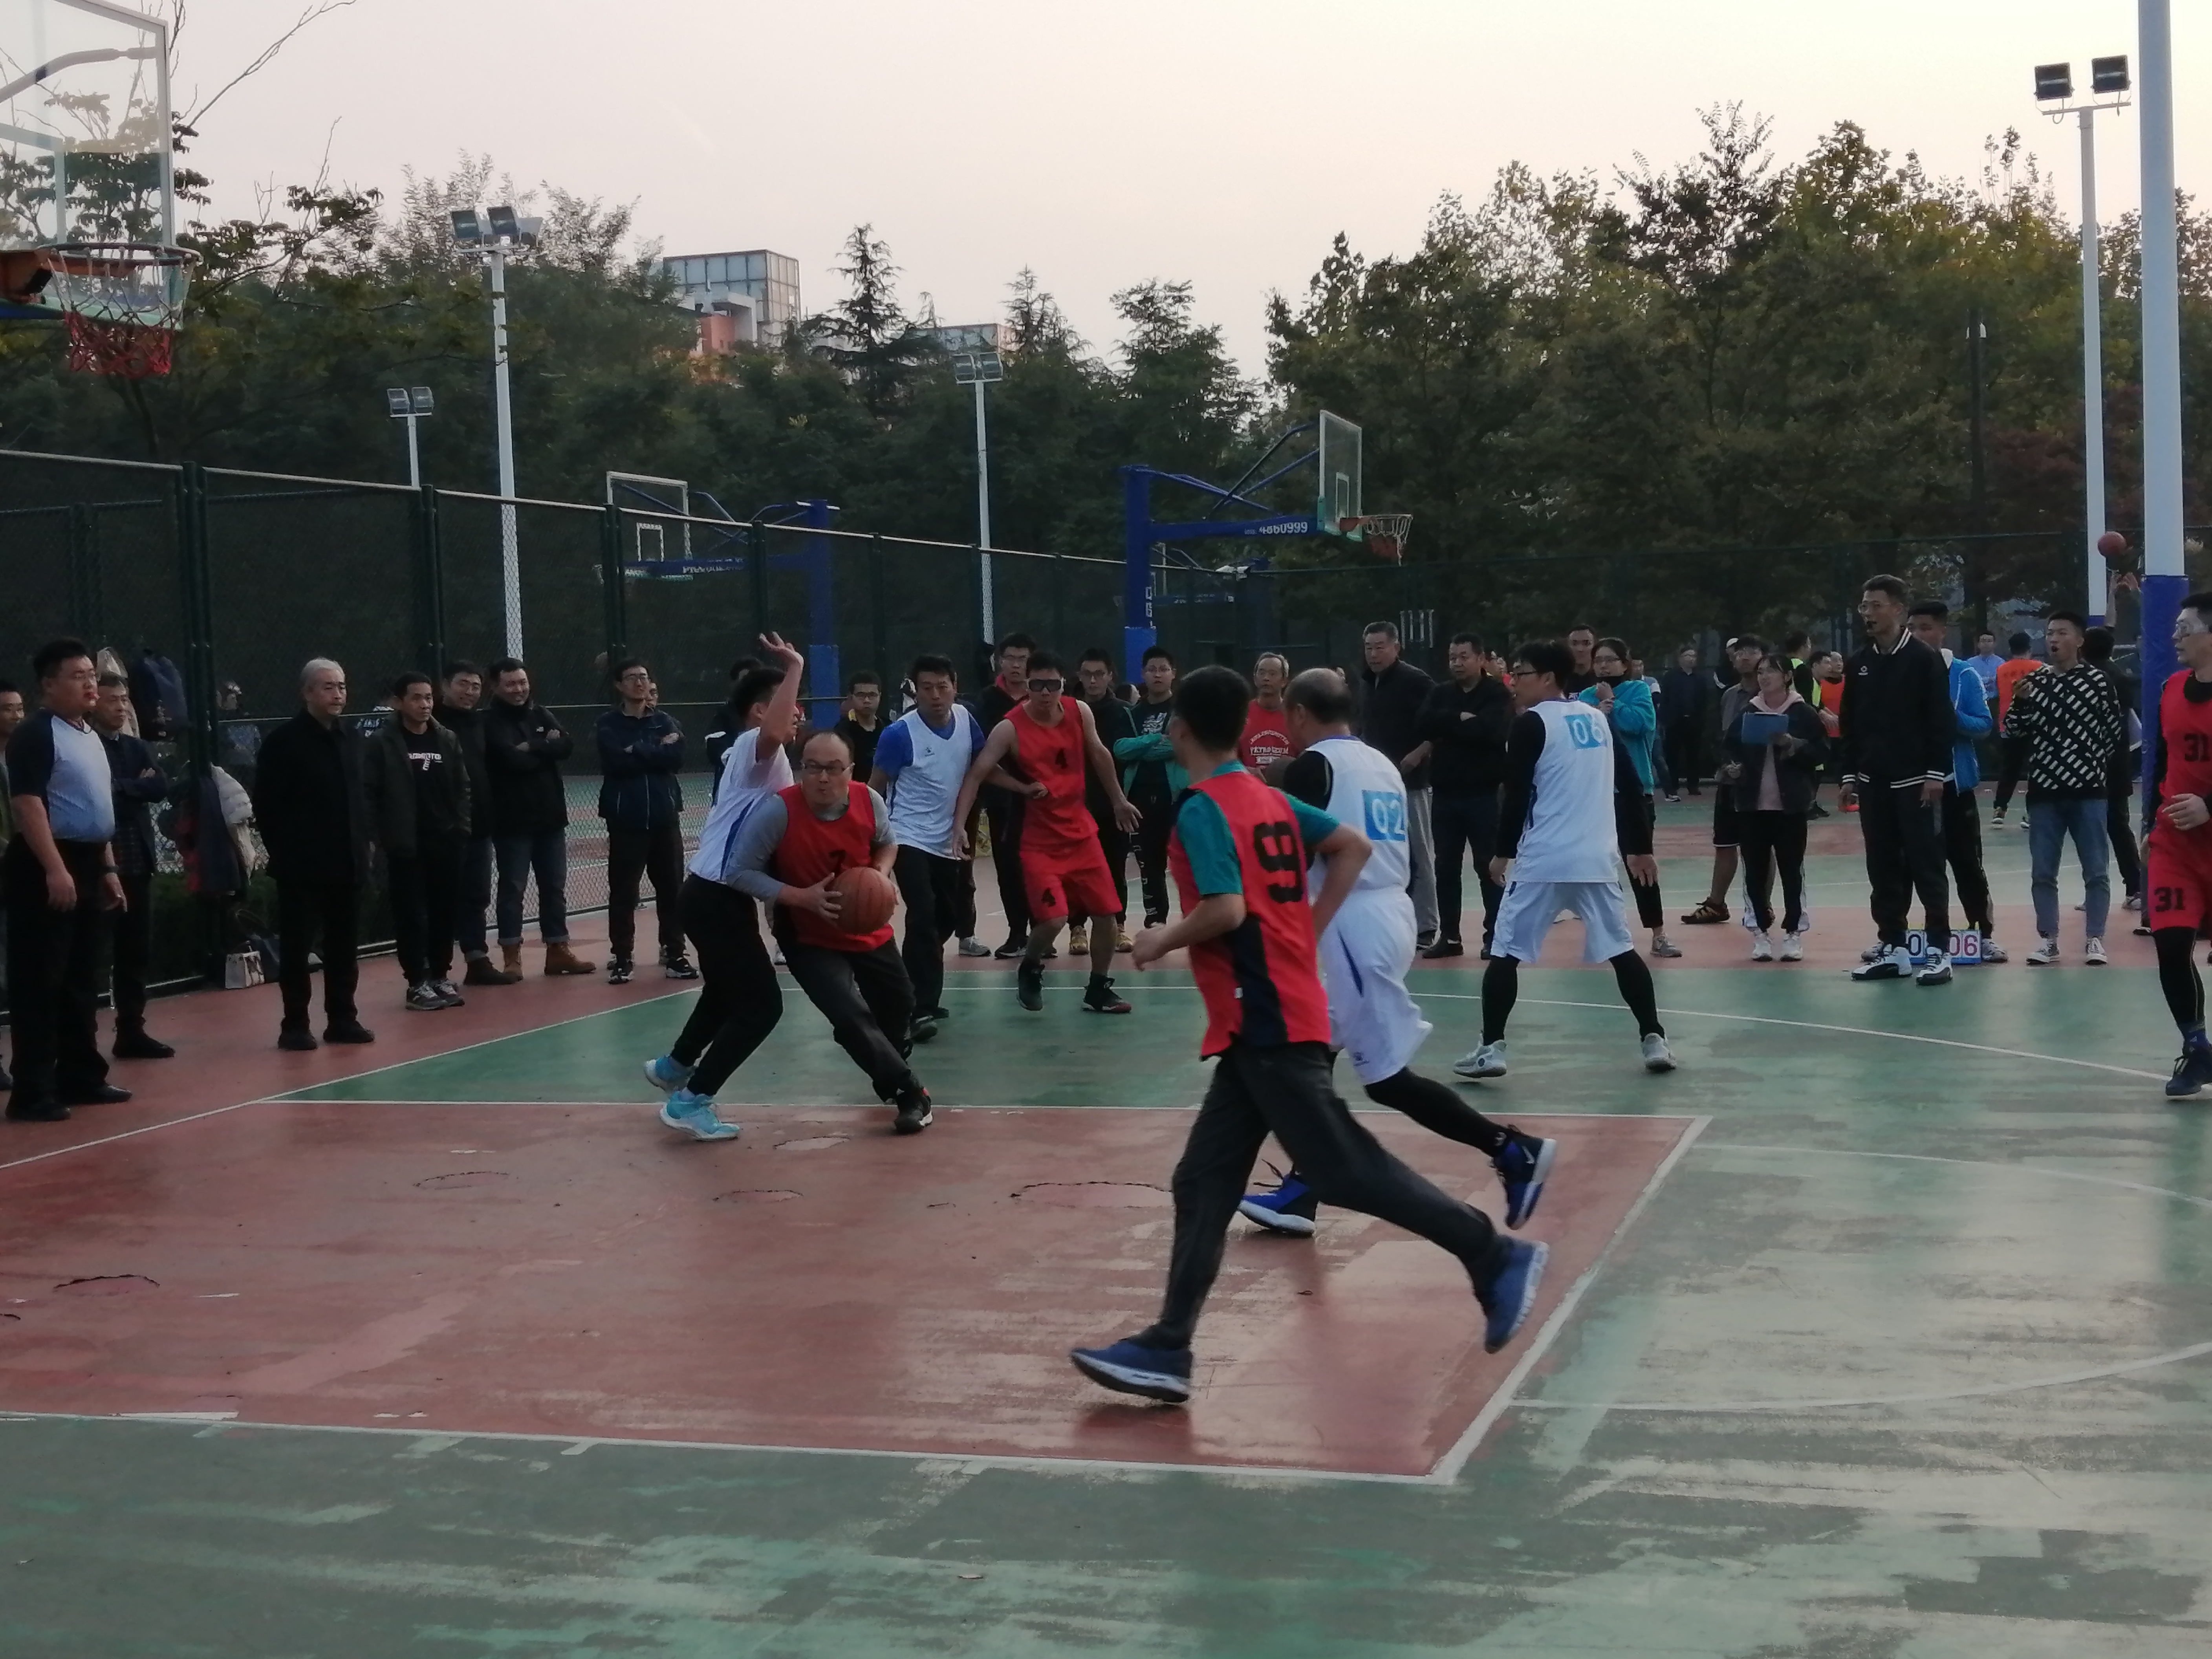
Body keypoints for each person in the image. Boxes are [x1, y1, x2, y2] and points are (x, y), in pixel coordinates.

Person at [1067, 665, 1547, 1404]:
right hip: (1264, 1014)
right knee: (1202, 1180)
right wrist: (1303, 928)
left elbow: (1226, 909)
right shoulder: (1267, 796)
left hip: (1267, 1014)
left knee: (1345, 1169)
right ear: (1241, 727)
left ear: (1179, 731)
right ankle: (1168, 1345)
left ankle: (1492, 1253)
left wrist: (1162, 937)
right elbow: (1351, 845)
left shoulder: (1203, 807)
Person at [1238, 667, 1558, 1239]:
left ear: (1299, 714)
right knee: (1321, 1057)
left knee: (1374, 1076)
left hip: (1351, 921)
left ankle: (1512, 1150)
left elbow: (1291, 850)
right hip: (1390, 910)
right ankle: (1304, 1192)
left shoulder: (1315, 766)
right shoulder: (1381, 763)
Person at [1455, 641, 1675, 1080]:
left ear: (1548, 678)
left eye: (1521, 673)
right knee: (1622, 951)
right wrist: (1640, 846)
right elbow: (1631, 785)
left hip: (1544, 860)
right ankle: (1654, 1038)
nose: (1514, 682)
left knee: (1505, 953)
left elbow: (1516, 795)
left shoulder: (1531, 724)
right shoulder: (1597, 719)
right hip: (1596, 859)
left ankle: (1491, 1048)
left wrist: (1502, 853)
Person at [714, 729, 934, 1135]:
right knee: (849, 1014)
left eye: (834, 768)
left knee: (900, 1002)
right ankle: (910, 1093)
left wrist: (878, 875)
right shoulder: (779, 812)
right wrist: (801, 897)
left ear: (851, 770)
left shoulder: (869, 800)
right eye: (813, 767)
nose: (822, 777)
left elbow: (887, 843)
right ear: (801, 769)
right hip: (807, 934)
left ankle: (881, 1056)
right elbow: (738, 872)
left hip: (864, 923)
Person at [643, 635, 804, 1141]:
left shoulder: (760, 757)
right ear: (759, 711)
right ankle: (691, 1101)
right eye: (790, 704)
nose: (798, 714)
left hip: (713, 894)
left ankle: (674, 1066)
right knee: (762, 1007)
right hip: (714, 897)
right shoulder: (756, 748)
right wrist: (795, 665)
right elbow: (775, 728)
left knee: (724, 991)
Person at [954, 651, 1143, 1014]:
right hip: (1039, 842)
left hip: (1082, 835)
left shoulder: (1079, 712)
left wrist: (1119, 800)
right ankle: (1030, 965)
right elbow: (979, 772)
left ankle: (1098, 988)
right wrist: (962, 824)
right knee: (1055, 919)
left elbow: (1100, 754)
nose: (1045, 692)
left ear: (1063, 684)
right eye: (1037, 684)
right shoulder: (1010, 728)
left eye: (1052, 685)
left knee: (1107, 915)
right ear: (1027, 685)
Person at [5, 640, 130, 1121]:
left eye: (91, 675)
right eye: (78, 676)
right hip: (46, 864)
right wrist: (55, 869)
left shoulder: (89, 734)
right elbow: (28, 805)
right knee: (41, 980)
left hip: (88, 861)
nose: (90, 684)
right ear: (48, 685)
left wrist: (108, 869)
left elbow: (94, 809)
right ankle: (33, 1090)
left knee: (81, 977)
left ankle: (81, 1076)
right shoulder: (36, 735)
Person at [249, 658, 374, 1051]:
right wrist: (286, 852)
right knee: (297, 948)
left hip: (348, 863)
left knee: (344, 947)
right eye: (328, 687)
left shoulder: (353, 738)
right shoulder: (283, 743)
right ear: (307, 693)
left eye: (342, 686)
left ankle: (343, 1019)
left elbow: (363, 798)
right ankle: (295, 1025)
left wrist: (366, 843)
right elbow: (267, 806)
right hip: (302, 868)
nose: (338, 694)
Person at [1838, 576, 1957, 986]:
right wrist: (1850, 774)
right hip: (1873, 783)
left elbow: (1940, 720)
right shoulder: (1858, 662)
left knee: (1926, 865)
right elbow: (1851, 722)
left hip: (1917, 783)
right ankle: (1894, 948)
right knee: (1882, 866)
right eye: (1864, 606)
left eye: (1876, 605)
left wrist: (1935, 773)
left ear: (1898, 610)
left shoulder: (1924, 659)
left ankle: (1939, 950)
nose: (1868, 614)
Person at [869, 653, 986, 1045]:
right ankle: (918, 1007)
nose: (935, 695)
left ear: (955, 686)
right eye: (926, 688)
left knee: (947, 919)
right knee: (923, 916)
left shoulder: (967, 721)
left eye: (942, 687)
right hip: (906, 835)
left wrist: (1025, 787)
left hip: (947, 839)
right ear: (914, 691)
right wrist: (870, 838)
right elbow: (875, 788)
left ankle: (904, 985)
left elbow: (982, 767)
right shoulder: (899, 735)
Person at [2007, 610, 2122, 967]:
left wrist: (2088, 764)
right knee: (2043, 871)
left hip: (2089, 791)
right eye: (2050, 633)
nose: (2054, 639)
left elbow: (2113, 731)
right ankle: (2049, 940)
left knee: (2096, 870)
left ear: (2080, 640)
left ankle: (2095, 938)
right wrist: (2020, 703)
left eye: (2062, 633)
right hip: (2045, 792)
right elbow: (2013, 730)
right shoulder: (2034, 682)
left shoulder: (2099, 682)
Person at [363, 671, 472, 1012]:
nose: (425, 705)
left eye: (429, 698)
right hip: (406, 844)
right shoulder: (382, 743)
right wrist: (377, 837)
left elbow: (462, 787)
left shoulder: (446, 738)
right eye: (416, 698)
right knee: (411, 915)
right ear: (399, 702)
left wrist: (461, 827)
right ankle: (416, 982)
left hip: (446, 840)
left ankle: (440, 975)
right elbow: (370, 793)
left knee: (445, 912)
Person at [483, 658, 593, 977]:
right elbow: (510, 760)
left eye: (523, 682)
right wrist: (547, 747)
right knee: (513, 889)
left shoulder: (541, 713)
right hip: (512, 822)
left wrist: (532, 746)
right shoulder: (490, 722)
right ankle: (511, 956)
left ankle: (558, 950)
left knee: (554, 888)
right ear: (496, 687)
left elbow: (567, 746)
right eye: (511, 684)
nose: (519, 689)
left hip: (551, 820)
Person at [1905, 602, 2002, 962]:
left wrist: (1949, 716)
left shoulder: (1963, 675)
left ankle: (1983, 934)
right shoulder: (1897, 673)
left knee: (1967, 864)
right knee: (1908, 866)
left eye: (1926, 628)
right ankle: (1898, 939)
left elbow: (1984, 725)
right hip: (1910, 788)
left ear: (1942, 632)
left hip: (1955, 788)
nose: (1917, 635)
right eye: (1912, 628)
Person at [2144, 591, 2212, 1095]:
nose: (2175, 637)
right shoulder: (2170, 689)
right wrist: (2149, 826)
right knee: (2170, 944)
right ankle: (2197, 1047)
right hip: (2175, 844)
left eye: (2184, 628)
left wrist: (2210, 805)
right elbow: (2162, 765)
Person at [597, 657, 694, 986]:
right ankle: (623, 958)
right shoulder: (608, 724)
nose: (640, 683)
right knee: (624, 893)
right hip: (627, 821)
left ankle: (675, 954)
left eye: (644, 677)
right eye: (632, 678)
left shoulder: (665, 721)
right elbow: (615, 762)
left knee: (672, 890)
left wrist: (636, 750)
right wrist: (654, 750)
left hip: (665, 820)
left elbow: (677, 757)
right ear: (619, 685)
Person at [1723, 654, 1828, 960]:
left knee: (1792, 870)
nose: (1764, 676)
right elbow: (1727, 748)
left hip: (1791, 807)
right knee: (1754, 872)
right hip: (1752, 807)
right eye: (1761, 671)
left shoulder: (1803, 713)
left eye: (1772, 671)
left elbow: (1822, 751)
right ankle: (1760, 932)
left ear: (1787, 677)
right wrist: (1732, 768)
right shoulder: (1748, 711)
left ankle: (1794, 932)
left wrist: (1792, 744)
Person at [91, 671, 172, 1057]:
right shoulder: (88, 747)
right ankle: (82, 1040)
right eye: (113, 700)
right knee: (92, 953)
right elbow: (98, 798)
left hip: (138, 862)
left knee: (136, 951)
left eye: (125, 699)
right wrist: (132, 788)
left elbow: (159, 787)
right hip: (100, 866)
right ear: (94, 703)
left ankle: (131, 1030)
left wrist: (122, 786)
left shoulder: (137, 747)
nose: (121, 707)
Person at [1417, 632, 1514, 958]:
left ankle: (1494, 936)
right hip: (1446, 794)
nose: (1457, 663)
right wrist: (1459, 719)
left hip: (1484, 794)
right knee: (1446, 867)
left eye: (1464, 657)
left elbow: (1492, 732)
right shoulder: (1441, 693)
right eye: (1452, 657)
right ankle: (1450, 937)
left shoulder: (1497, 693)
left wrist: (1448, 728)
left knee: (1488, 867)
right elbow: (1424, 724)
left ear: (1481, 659)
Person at [1581, 637, 1679, 958]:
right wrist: (1596, 713)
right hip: (1597, 794)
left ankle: (1658, 933)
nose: (1603, 666)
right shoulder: (1585, 697)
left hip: (1633, 793)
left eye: (1610, 660)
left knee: (1640, 863)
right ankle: (1607, 934)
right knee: (1598, 867)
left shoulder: (1638, 691)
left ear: (1625, 663)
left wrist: (1613, 704)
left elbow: (1641, 725)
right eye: (1598, 660)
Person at [1353, 620, 1440, 943]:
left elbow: (1441, 724)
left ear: (1396, 647)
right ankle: (1389, 923)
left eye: (1380, 647)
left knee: (1419, 854)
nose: (1373, 654)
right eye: (1369, 648)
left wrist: (1419, 753)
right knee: (1381, 854)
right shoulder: (1367, 683)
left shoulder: (1416, 681)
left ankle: (1426, 926)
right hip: (1375, 785)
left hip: (1410, 783)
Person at [436, 661, 518, 988]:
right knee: (442, 899)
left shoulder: (480, 723)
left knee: (477, 896)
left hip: (480, 827)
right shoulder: (431, 723)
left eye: (475, 686)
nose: (470, 692)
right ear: (445, 686)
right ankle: (434, 971)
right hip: (445, 830)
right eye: (463, 684)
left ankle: (477, 960)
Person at [1681, 635, 1766, 925]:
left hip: (1761, 785)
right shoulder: (1729, 695)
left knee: (1761, 848)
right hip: (1729, 783)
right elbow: (1720, 736)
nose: (1745, 657)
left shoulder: (1775, 695)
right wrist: (1725, 764)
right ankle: (1716, 904)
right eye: (1739, 652)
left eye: (1752, 652)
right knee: (1725, 844)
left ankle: (1761, 906)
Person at [975, 634, 1036, 957]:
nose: (1016, 665)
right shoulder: (988, 699)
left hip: (1040, 795)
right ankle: (1017, 934)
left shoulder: (1042, 696)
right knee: (1008, 865)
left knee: (1038, 866)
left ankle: (1043, 932)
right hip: (1002, 796)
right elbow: (985, 748)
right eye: (1010, 658)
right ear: (1000, 662)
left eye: (1023, 659)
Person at [1075, 646, 1137, 956]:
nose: (1093, 680)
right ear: (1079, 676)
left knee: (1115, 868)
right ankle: (1077, 929)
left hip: (1114, 806)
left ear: (1110, 676)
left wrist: (1123, 799)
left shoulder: (1125, 712)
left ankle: (1120, 926)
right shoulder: (1067, 710)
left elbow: (1134, 756)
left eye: (1099, 674)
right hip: (1075, 806)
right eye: (1087, 674)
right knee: (1077, 871)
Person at [1115, 644, 1181, 929]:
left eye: (1163, 669)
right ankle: (1156, 922)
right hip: (1139, 798)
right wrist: (1154, 740)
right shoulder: (1131, 713)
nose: (1158, 675)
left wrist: (1141, 748)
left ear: (1173, 674)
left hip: (1175, 797)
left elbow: (1178, 745)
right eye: (1152, 669)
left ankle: (1197, 924)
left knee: (1184, 862)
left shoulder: (1182, 711)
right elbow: (1121, 749)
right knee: (1149, 865)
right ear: (1143, 673)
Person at [2083, 626, 2145, 913]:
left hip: (2096, 767)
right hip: (2116, 766)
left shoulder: (2093, 677)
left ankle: (2121, 889)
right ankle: (2134, 887)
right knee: (2117, 828)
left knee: (2099, 830)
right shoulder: (2118, 675)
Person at [1989, 632, 2042, 828]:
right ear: (2030, 648)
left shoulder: (2001, 669)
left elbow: (1997, 694)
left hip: (2008, 724)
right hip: (2034, 725)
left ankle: (2000, 809)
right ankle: (2030, 813)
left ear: (2010, 649)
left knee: (2009, 769)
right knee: (2036, 770)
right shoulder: (2040, 668)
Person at [0, 678, 22, 1092]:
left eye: (21, 708)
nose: (17, 716)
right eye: (8, 709)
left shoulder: (23, 756)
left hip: (21, 875)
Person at [1658, 646, 1708, 800]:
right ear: (1680, 659)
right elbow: (1665, 699)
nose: (1691, 659)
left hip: (1694, 721)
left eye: (1694, 656)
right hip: (1675, 722)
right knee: (1672, 755)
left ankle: (1693, 785)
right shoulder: (1670, 677)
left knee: (1694, 755)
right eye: (1688, 655)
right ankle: (1673, 785)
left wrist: (1701, 718)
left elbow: (1704, 700)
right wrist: (1666, 719)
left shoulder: (1700, 678)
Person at [1240, 652, 1294, 778]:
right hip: (1249, 785)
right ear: (1255, 679)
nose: (1266, 678)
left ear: (1284, 681)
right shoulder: (1242, 713)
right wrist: (1247, 771)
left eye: (1273, 674)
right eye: (1262, 673)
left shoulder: (1295, 715)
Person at [834, 670, 885, 779]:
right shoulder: (841, 732)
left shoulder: (888, 728)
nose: (867, 700)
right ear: (851, 697)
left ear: (880, 696)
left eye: (872, 695)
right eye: (861, 695)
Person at [1967, 630, 2006, 703]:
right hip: (1976, 700)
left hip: (1995, 700)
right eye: (1983, 641)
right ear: (1978, 644)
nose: (1986, 644)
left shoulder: (2001, 663)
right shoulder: (1970, 663)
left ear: (1995, 644)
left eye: (1989, 641)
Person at [1563, 625, 1599, 694]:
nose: (1580, 649)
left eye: (1586, 643)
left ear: (1595, 646)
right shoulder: (1559, 680)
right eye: (1574, 644)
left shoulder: (1603, 678)